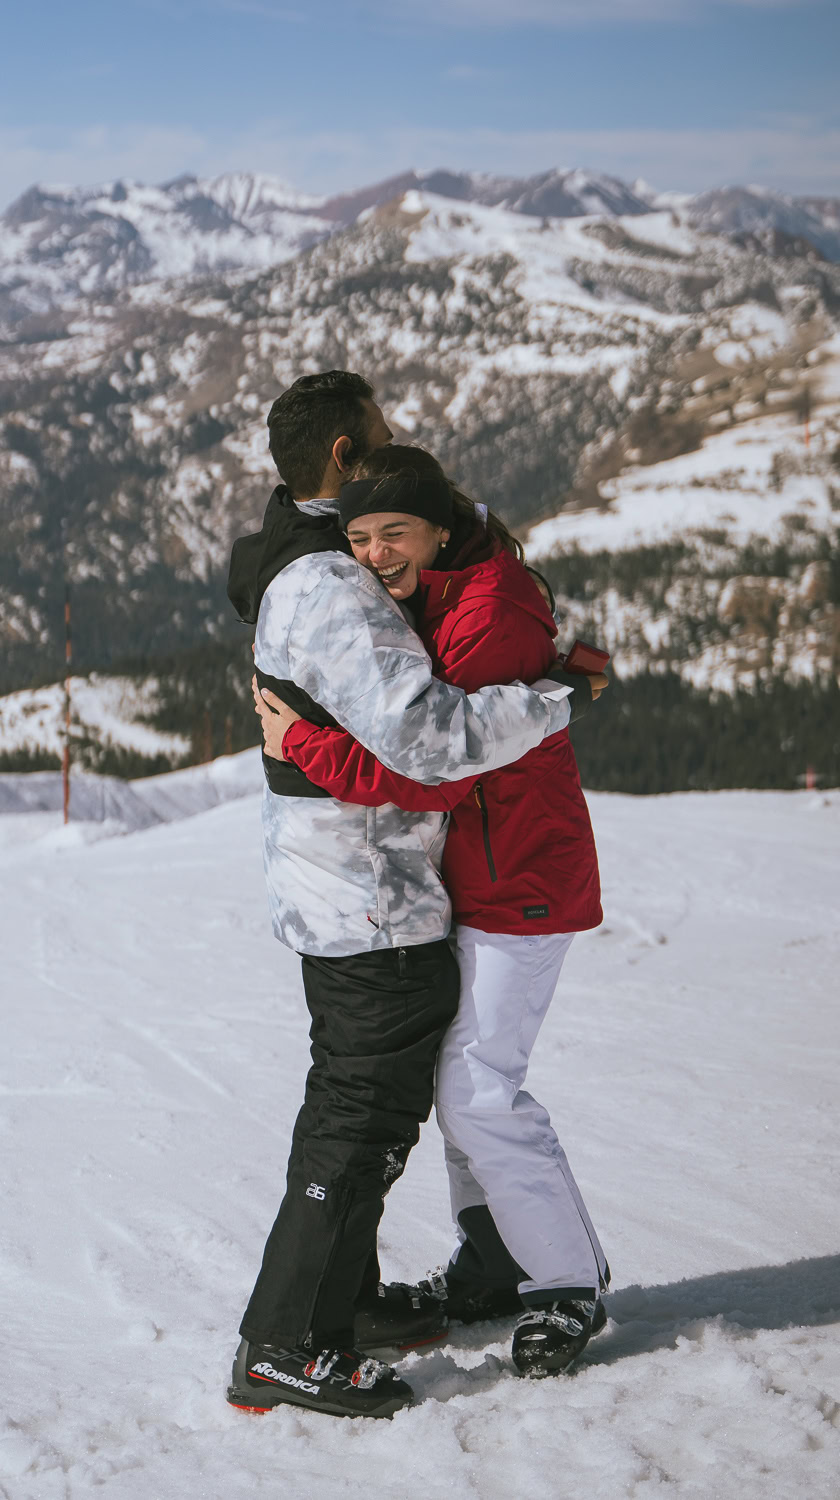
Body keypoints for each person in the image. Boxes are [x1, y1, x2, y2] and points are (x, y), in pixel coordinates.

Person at [224, 373, 597, 1418]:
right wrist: (547, 702)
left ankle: (344, 1303)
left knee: (380, 1110)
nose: (376, 545)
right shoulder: (332, 584)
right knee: (359, 1125)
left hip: (361, 887)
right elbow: (432, 746)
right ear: (344, 462)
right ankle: (285, 1342)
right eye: (378, 446)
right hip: (368, 899)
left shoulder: (308, 558)